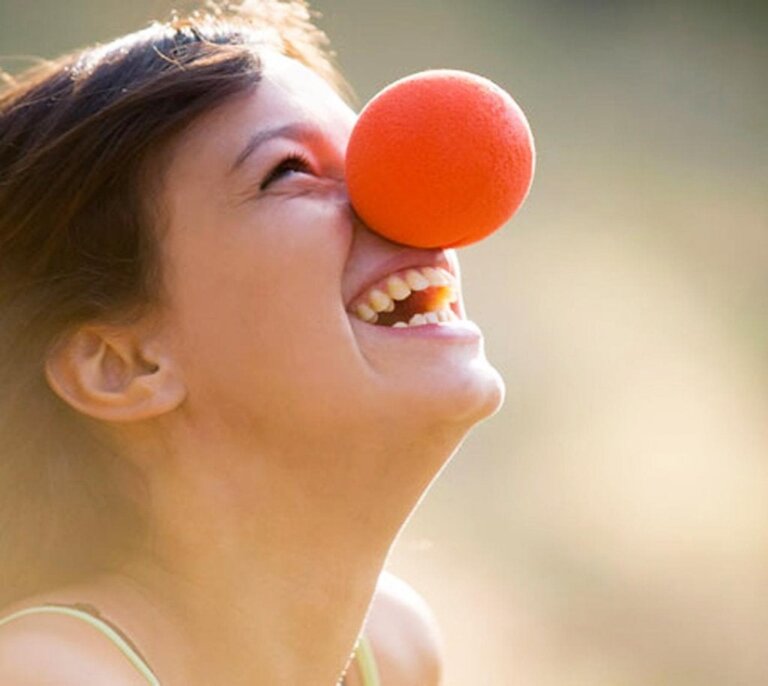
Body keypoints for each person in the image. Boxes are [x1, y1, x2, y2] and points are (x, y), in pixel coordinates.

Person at [0, 2, 504, 684]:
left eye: (371, 156)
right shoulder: (50, 675)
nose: (403, 206)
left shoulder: (393, 648)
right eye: (290, 170)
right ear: (123, 364)